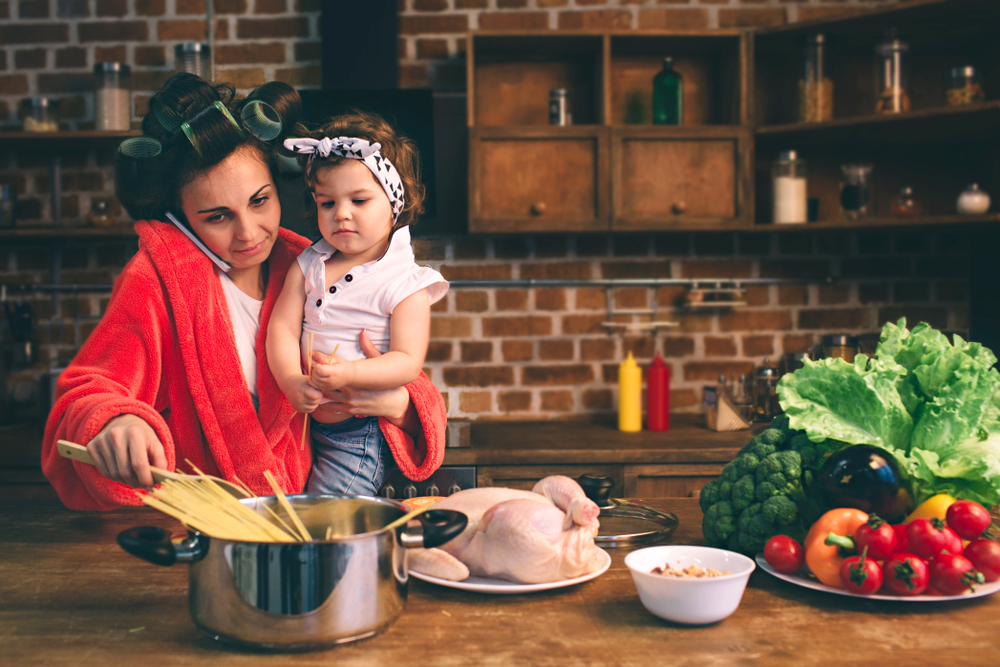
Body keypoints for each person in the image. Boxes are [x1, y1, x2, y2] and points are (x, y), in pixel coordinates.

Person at [40, 73, 447, 510]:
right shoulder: (158, 280)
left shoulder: (302, 263)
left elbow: (410, 377)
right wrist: (116, 421)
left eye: (259, 201)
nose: (249, 233)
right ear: (181, 217)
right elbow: (89, 393)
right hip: (201, 525)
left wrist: (396, 404)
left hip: (295, 511)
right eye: (217, 217)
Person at [268, 112, 448, 496]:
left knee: (327, 516)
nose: (341, 214)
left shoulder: (404, 282)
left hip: (357, 434)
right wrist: (290, 379)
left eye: (359, 200)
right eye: (327, 203)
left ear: (395, 203)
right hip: (306, 426)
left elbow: (406, 361)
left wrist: (350, 374)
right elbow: (281, 328)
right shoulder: (309, 263)